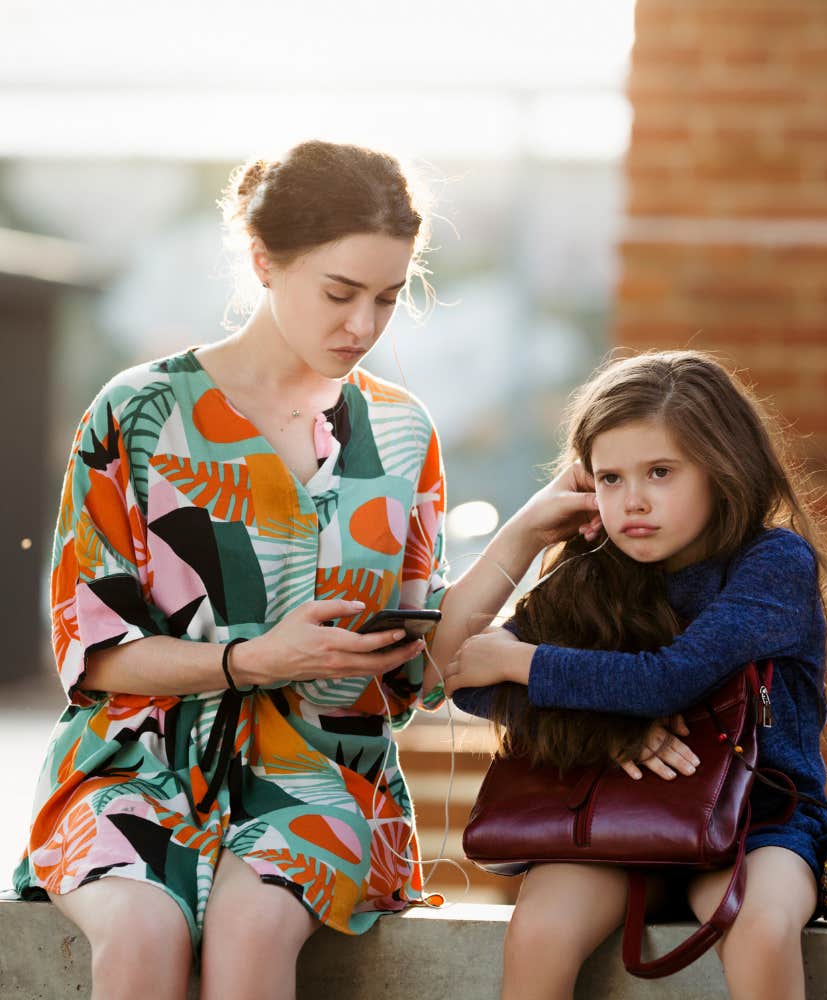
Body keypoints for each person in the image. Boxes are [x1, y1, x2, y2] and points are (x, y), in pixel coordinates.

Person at [13, 140, 598, 1000]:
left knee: (254, 941)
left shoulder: (402, 435)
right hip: (133, 764)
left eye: (388, 299)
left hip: (324, 771)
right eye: (340, 293)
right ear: (262, 261)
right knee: (139, 939)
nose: (362, 325)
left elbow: (416, 666)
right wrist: (251, 660)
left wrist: (521, 536)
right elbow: (91, 652)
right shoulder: (137, 412)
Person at [445, 350, 827, 1000]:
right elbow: (470, 682)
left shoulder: (773, 562)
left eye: (660, 472)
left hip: (760, 821)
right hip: (616, 816)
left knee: (759, 924)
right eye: (609, 479)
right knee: (540, 929)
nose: (633, 501)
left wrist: (522, 659)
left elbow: (668, 680)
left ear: (721, 468)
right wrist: (609, 736)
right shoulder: (591, 569)